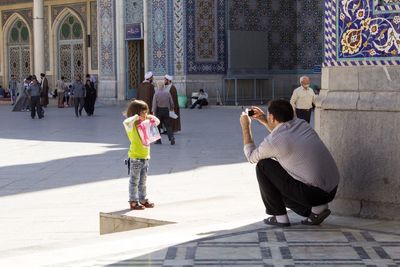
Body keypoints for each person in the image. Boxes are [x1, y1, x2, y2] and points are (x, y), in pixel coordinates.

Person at [239, 99, 339, 227]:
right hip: (332, 189)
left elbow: (251, 156)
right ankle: (316, 210)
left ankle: (280, 217)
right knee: (285, 169)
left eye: (270, 116)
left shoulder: (273, 142)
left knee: (264, 165)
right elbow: (282, 133)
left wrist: (245, 126)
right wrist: (265, 119)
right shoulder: (302, 124)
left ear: (273, 117)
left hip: (313, 194)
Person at [123, 99, 160, 210]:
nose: (145, 114)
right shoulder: (131, 125)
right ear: (136, 112)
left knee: (143, 181)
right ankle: (133, 201)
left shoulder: (145, 123)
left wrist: (148, 116)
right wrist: (136, 117)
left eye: (146, 111)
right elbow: (126, 121)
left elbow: (157, 122)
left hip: (145, 157)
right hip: (135, 157)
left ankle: (143, 199)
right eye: (143, 112)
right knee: (134, 180)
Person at [152, 80, 175, 145]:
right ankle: (171, 137)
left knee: (158, 126)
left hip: (159, 111)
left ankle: (158, 140)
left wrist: (153, 111)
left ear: (158, 86)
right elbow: (172, 103)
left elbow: (154, 104)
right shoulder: (167, 93)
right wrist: (171, 108)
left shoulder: (156, 94)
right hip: (166, 110)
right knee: (168, 125)